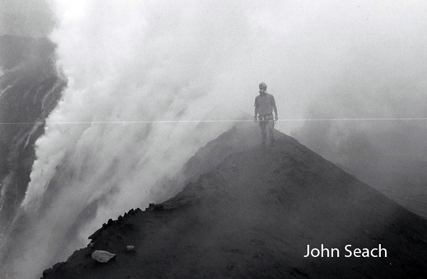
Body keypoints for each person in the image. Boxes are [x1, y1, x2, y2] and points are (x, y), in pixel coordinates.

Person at [254, 82, 278, 147]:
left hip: (269, 116)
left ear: (265, 88)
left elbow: (274, 106)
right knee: (263, 131)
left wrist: (276, 115)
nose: (261, 90)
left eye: (263, 88)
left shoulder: (270, 97)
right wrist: (255, 116)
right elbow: (256, 107)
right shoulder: (257, 98)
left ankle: (273, 142)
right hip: (261, 117)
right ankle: (263, 143)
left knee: (271, 129)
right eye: (260, 88)